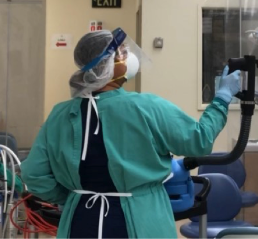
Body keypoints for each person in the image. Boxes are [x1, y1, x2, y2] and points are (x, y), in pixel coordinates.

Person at [21, 29, 241, 239]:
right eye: (122, 53)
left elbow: (33, 175)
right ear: (107, 65)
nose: (128, 58)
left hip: (80, 220)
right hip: (140, 219)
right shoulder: (146, 107)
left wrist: (74, 196)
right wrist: (222, 97)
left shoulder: (59, 115)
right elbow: (200, 140)